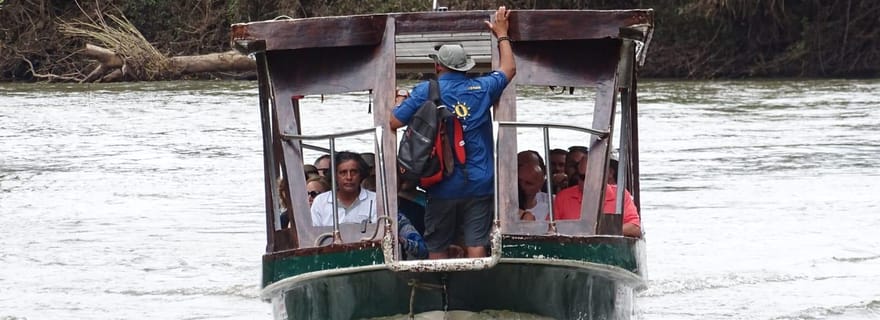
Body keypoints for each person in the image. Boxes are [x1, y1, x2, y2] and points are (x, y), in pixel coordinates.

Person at [390, 6, 516, 259]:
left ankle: (441, 290)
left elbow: (394, 122)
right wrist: (502, 34)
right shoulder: (483, 87)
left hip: (441, 182)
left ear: (438, 67)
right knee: (477, 242)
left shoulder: (426, 90)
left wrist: (399, 100)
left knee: (437, 244)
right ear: (466, 67)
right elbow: (509, 69)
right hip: (480, 182)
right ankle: (475, 291)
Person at [553, 157, 641, 237]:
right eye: (582, 177)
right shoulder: (562, 197)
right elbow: (549, 229)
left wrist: (601, 232)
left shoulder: (620, 195)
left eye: (591, 177)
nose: (587, 182)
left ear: (604, 175)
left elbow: (635, 228)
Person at [310, 151, 377, 227]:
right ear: (335, 176)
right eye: (343, 172)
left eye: (354, 172)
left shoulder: (375, 200)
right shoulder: (320, 202)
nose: (349, 177)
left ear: (361, 174)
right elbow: (315, 235)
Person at [517, 150, 550, 221]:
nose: (522, 186)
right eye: (519, 181)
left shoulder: (550, 208)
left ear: (540, 184)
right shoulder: (503, 210)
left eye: (528, 183)